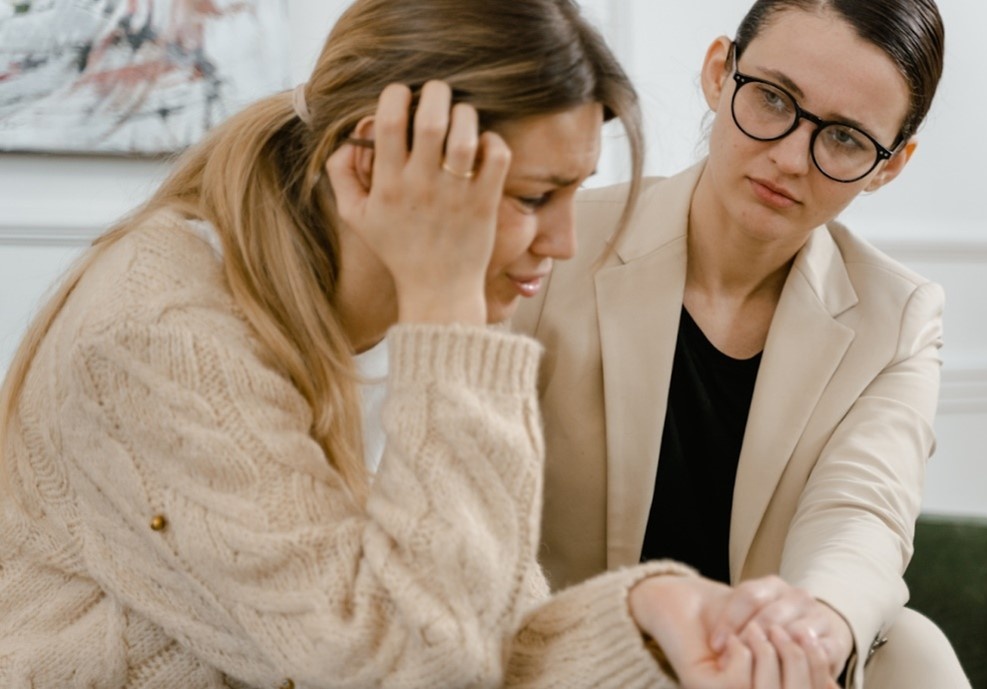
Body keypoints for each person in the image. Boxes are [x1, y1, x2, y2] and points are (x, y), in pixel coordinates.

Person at [0, 1, 840, 687]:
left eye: (571, 194)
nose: (561, 241)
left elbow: (473, 627)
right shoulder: (164, 336)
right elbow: (411, 666)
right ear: (374, 164)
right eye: (534, 196)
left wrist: (654, 611)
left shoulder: (415, 308)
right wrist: (450, 318)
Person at [510, 0, 970, 686]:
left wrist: (810, 630)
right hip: (571, 657)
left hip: (762, 669)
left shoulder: (896, 317)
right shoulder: (554, 244)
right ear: (719, 72)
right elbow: (471, 520)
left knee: (912, 648)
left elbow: (863, 513)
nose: (788, 157)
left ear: (889, 165)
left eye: (844, 138)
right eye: (774, 99)